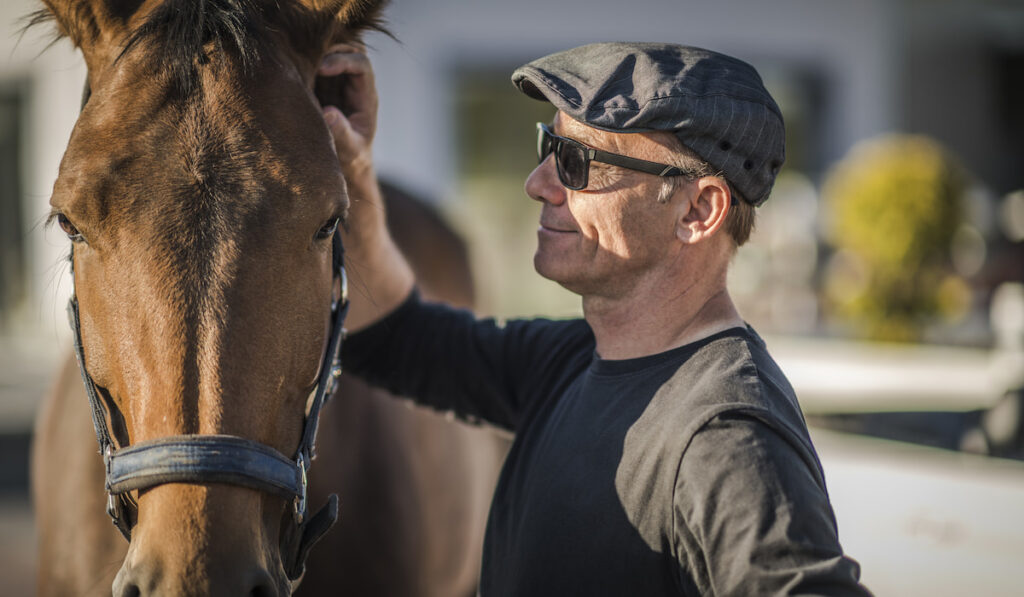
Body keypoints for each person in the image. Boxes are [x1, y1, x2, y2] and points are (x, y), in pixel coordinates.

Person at [318, 41, 870, 596]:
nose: (538, 184)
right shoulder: (570, 360)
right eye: (549, 146)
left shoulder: (724, 437)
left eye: (577, 163)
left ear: (698, 211)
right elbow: (395, 336)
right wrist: (354, 166)